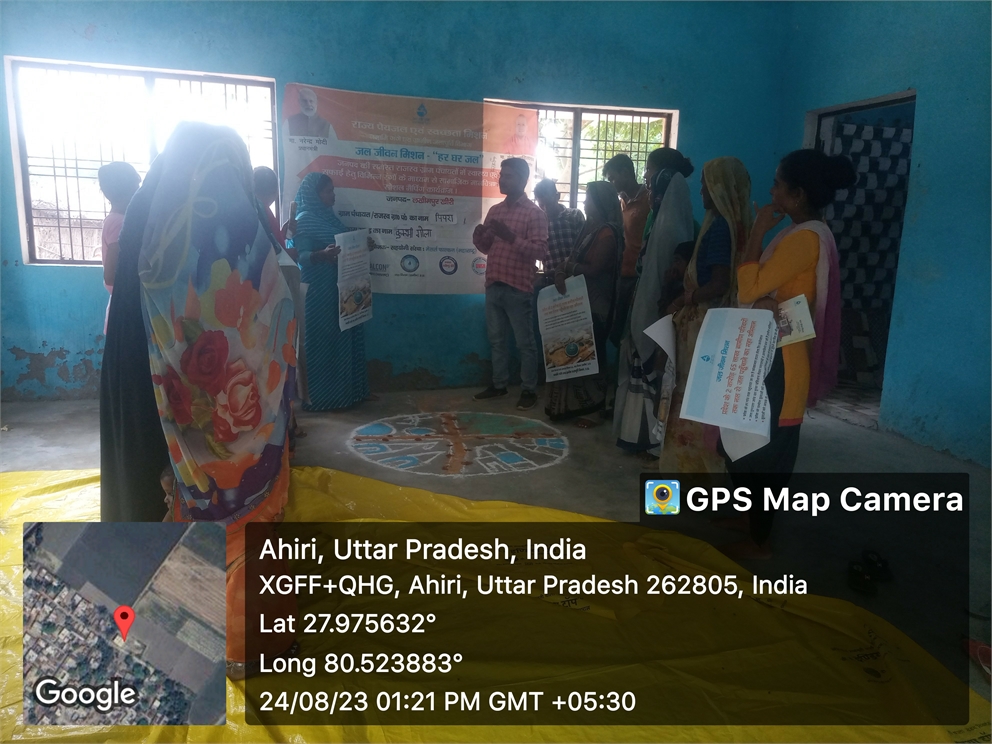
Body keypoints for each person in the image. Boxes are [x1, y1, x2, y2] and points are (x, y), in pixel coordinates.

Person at [99, 122, 297, 675]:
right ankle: (244, 638)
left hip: (150, 389)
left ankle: (172, 621)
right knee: (236, 512)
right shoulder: (237, 215)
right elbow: (272, 306)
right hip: (233, 415)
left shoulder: (149, 207)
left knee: (171, 497)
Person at [717, 148, 853, 559]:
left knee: (765, 451)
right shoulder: (802, 232)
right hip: (767, 350)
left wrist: (757, 230)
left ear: (797, 194)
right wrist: (764, 300)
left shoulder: (804, 239)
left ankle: (760, 540)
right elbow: (761, 294)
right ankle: (748, 519)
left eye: (777, 184)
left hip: (781, 361)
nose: (771, 190)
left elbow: (748, 286)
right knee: (741, 440)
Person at [655, 157, 753, 474]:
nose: (701, 191)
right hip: (715, 322)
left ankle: (690, 467)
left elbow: (719, 282)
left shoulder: (721, 228)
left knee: (691, 395)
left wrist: (686, 298)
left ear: (720, 188)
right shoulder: (733, 225)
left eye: (706, 185)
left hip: (703, 324)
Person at [613, 149, 695, 454]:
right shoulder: (657, 218)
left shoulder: (670, 225)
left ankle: (652, 439)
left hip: (661, 307)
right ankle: (638, 434)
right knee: (642, 365)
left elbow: (662, 272)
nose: (645, 176)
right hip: (647, 301)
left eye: (649, 170)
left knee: (657, 370)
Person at [290, 172, 374, 410]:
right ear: (314, 195)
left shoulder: (331, 218)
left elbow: (345, 244)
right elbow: (301, 257)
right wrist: (321, 255)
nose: (333, 195)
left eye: (332, 190)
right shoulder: (304, 220)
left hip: (342, 288)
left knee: (343, 339)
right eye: (328, 191)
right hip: (319, 293)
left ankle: (347, 395)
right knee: (322, 343)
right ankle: (323, 398)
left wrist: (363, 245)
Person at [473, 157, 549, 410]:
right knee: (496, 341)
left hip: (518, 288)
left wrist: (511, 237)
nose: (501, 180)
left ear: (523, 179)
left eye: (508, 176)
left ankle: (529, 390)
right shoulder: (495, 211)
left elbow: (541, 252)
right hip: (494, 285)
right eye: (501, 175)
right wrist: (479, 239)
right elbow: (488, 247)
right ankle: (499, 385)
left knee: (525, 344)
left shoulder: (534, 214)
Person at [545, 182, 623, 424]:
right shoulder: (589, 228)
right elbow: (572, 260)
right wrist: (561, 271)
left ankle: (593, 409)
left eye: (589, 198)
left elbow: (595, 268)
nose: (585, 202)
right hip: (579, 301)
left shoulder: (607, 232)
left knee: (591, 355)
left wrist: (567, 267)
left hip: (596, 304)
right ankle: (568, 407)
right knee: (573, 352)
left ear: (600, 202)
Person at [254, 166, 306, 445]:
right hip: (275, 297)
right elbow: (276, 253)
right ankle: (286, 424)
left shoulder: (259, 211)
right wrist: (291, 252)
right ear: (274, 190)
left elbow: (274, 245)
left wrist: (284, 235)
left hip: (265, 299)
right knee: (282, 356)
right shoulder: (261, 211)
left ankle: (287, 422)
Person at [603, 153, 650, 343]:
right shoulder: (621, 202)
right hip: (622, 274)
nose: (611, 183)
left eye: (612, 178)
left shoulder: (649, 199)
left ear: (625, 172)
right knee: (617, 331)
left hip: (640, 276)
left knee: (636, 329)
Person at [97, 162, 140, 333]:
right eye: (137, 185)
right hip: (127, 309)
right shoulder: (120, 223)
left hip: (123, 305)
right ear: (130, 189)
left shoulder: (116, 219)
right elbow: (110, 276)